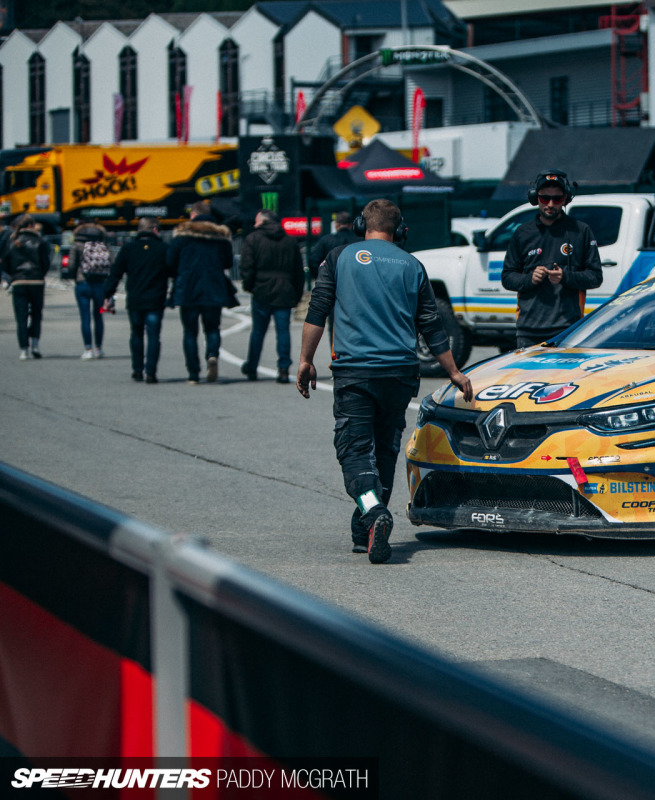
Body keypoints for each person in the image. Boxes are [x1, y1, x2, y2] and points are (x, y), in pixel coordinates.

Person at [297, 199, 473, 564]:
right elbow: (432, 326)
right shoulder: (413, 264)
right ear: (400, 229)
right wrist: (454, 371)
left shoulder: (339, 257)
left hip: (355, 372)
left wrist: (305, 360)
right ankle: (364, 531)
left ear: (363, 223)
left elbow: (318, 310)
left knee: (354, 453)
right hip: (400, 374)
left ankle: (374, 511)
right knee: (385, 450)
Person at [500, 169, 603, 348]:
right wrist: (529, 279)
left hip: (568, 330)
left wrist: (565, 277)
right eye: (544, 198)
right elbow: (507, 277)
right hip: (528, 331)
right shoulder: (522, 233)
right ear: (535, 198)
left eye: (557, 199)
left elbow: (595, 277)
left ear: (565, 199)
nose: (550, 204)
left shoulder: (581, 231)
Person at [167, 200, 234, 383]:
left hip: (188, 288)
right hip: (214, 288)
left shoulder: (182, 235)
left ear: (193, 215)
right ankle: (212, 355)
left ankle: (193, 373)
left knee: (190, 332)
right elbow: (228, 262)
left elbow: (170, 261)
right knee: (212, 328)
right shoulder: (221, 235)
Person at [239, 209, 305, 384]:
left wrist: (249, 286)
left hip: (261, 289)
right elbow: (298, 270)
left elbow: (247, 266)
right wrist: (297, 294)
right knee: (283, 331)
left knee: (258, 331)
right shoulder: (290, 241)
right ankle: (283, 368)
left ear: (262, 221)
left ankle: (252, 367)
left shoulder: (253, 239)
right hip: (285, 289)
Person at [105, 216, 169, 383]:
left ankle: (138, 369)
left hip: (135, 298)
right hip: (156, 298)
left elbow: (116, 273)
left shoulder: (128, 249)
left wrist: (108, 293)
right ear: (155, 229)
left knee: (136, 333)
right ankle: (151, 371)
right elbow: (174, 272)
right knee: (154, 335)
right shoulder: (163, 248)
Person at [1, 214, 51, 360]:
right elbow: (45, 262)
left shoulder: (12, 241)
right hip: (36, 281)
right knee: (36, 314)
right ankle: (35, 343)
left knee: (21, 317)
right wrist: (41, 274)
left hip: (19, 282)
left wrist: (13, 276)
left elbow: (5, 263)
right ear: (31, 225)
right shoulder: (40, 241)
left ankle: (24, 349)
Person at [68, 221, 113, 359]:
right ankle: (99, 348)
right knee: (99, 315)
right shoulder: (103, 244)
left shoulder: (77, 244)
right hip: (100, 284)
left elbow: (71, 265)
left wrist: (74, 276)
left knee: (85, 317)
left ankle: (88, 349)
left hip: (83, 284)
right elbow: (112, 262)